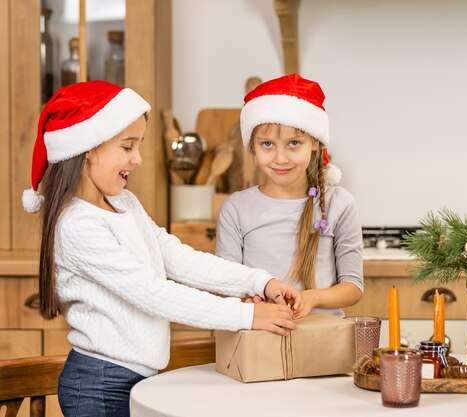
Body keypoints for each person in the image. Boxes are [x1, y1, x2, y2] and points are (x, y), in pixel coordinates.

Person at [22, 80, 300, 417]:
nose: (137, 158)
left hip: (132, 380)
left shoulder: (123, 202)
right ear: (89, 147)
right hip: (99, 387)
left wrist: (259, 282)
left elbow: (178, 258)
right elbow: (152, 293)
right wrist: (248, 315)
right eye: (128, 147)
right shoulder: (76, 225)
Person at [216, 73, 363, 319]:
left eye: (294, 143)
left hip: (321, 343)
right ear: (252, 145)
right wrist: (249, 300)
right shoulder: (236, 208)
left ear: (315, 143)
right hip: (260, 343)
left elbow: (353, 287)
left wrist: (312, 297)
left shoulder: (340, 204)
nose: (280, 158)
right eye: (267, 144)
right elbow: (226, 285)